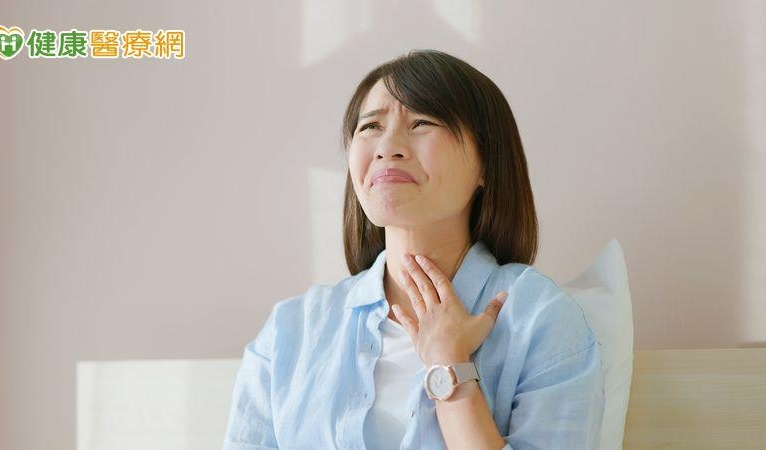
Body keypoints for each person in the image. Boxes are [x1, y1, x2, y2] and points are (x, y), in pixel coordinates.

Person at [221, 49, 604, 450]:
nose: (388, 147)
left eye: (422, 122)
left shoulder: (542, 319)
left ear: (487, 163)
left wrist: (451, 369)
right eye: (370, 127)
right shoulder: (291, 331)